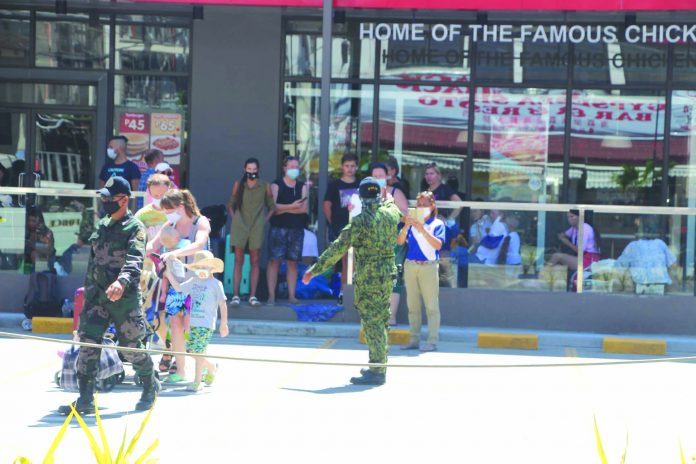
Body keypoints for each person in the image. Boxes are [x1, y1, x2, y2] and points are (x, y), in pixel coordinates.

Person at [58, 176, 159, 415]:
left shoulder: (135, 228)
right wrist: (88, 291)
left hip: (124, 300)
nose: (104, 201)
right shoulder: (102, 224)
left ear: (123, 200)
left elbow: (135, 261)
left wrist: (121, 282)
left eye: (109, 198)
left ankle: (149, 385)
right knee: (87, 344)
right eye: (103, 197)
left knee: (131, 348)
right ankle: (85, 398)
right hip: (96, 298)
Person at [303, 177, 401, 385]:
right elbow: (394, 207)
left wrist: (314, 270)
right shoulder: (391, 214)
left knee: (373, 322)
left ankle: (377, 370)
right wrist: (389, 199)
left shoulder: (359, 221)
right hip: (387, 274)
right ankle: (379, 364)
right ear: (379, 194)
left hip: (369, 276)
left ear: (361, 196)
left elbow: (337, 248)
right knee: (382, 320)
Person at [146, 188, 212, 383]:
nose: (167, 214)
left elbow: (199, 244)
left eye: (169, 209)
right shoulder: (170, 224)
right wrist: (140, 250)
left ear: (181, 206)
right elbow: (153, 244)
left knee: (192, 328)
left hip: (197, 284)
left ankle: (207, 366)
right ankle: (181, 371)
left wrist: (175, 254)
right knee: (175, 326)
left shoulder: (200, 222)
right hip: (176, 284)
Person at [164, 250, 229, 392]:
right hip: (193, 322)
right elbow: (179, 289)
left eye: (205, 267)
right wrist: (168, 274)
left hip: (206, 324)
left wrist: (224, 323)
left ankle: (197, 381)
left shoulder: (216, 284)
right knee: (195, 351)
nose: (202, 271)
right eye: (199, 267)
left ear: (211, 268)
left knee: (196, 352)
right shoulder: (193, 281)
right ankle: (211, 367)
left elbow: (222, 303)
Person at [398, 191, 445, 352]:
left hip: (429, 266)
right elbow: (400, 241)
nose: (422, 207)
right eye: (419, 204)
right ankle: (414, 339)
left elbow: (438, 245)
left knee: (431, 306)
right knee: (413, 306)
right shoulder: (412, 223)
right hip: (411, 266)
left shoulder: (437, 224)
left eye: (425, 204)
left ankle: (432, 341)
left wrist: (423, 229)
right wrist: (406, 225)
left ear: (432, 206)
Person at [227, 158, 275, 307]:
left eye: (254, 170)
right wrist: (235, 220)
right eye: (249, 169)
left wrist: (264, 221)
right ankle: (235, 295)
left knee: (255, 261)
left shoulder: (264, 186)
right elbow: (230, 204)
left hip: (256, 226)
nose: (252, 172)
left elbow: (272, 206)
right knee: (238, 261)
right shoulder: (238, 185)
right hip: (240, 226)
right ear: (244, 169)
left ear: (258, 170)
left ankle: (252, 296)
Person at [367, 162, 408, 325]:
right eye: (374, 176)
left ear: (387, 177)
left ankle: (391, 317)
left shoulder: (395, 192)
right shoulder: (365, 194)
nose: (378, 179)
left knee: (393, 280)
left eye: (381, 176)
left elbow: (406, 215)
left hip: (394, 241)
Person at [266, 156, 308, 306]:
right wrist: (292, 206)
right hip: (278, 229)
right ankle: (271, 296)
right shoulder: (276, 185)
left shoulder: (303, 186)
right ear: (284, 168)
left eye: (296, 167)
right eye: (291, 167)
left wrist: (284, 208)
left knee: (292, 263)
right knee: (274, 262)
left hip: (296, 229)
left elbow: (304, 209)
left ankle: (292, 296)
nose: (294, 170)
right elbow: (274, 209)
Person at [324, 153, 360, 305]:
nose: (350, 169)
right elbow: (327, 205)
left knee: (357, 260)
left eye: (352, 166)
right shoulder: (334, 185)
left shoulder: (361, 184)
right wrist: (333, 224)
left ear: (356, 167)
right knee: (346, 261)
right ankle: (343, 293)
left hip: (358, 227)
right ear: (342, 167)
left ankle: (357, 293)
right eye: (347, 166)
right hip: (341, 228)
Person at [616, 217, 677, 295]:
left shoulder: (632, 246)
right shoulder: (660, 244)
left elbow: (619, 266)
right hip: (660, 286)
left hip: (638, 286)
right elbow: (673, 265)